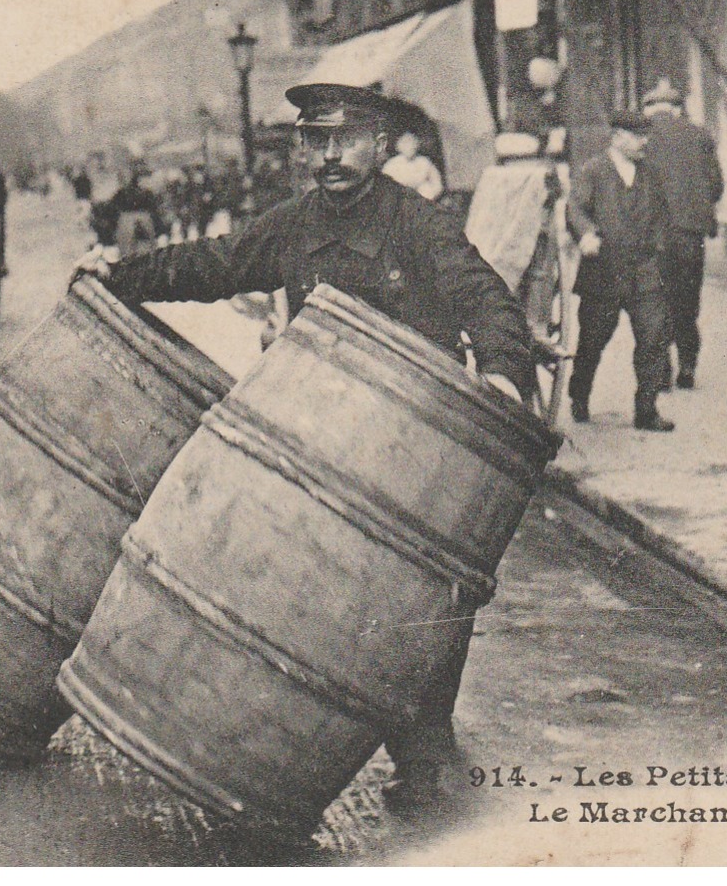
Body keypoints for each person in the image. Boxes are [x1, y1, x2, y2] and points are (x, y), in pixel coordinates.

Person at [75, 82, 538, 805]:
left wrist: (505, 374)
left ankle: (425, 749)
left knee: (423, 595)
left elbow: (483, 296)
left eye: (344, 141)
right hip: (319, 434)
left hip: (409, 445)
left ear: (380, 147)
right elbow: (213, 265)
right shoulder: (293, 224)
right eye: (314, 141)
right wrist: (120, 276)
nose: (328, 156)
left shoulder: (419, 225)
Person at [565, 111, 675, 432]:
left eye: (646, 135)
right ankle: (579, 394)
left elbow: (661, 217)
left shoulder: (651, 174)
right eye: (638, 136)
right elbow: (575, 209)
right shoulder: (593, 171)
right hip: (604, 271)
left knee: (654, 336)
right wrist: (586, 234)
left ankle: (646, 409)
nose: (645, 142)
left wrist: (658, 250)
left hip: (644, 270)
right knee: (593, 339)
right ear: (617, 137)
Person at [640, 80, 723, 390]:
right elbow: (715, 185)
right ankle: (688, 364)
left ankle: (661, 370)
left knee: (656, 298)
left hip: (654, 234)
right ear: (676, 108)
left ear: (649, 109)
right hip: (690, 232)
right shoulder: (700, 134)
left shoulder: (642, 139)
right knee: (687, 299)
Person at [466, 132, 558, 343]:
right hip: (515, 245)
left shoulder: (492, 177)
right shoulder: (529, 177)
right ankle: (530, 322)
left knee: (539, 263)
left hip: (512, 244)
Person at [383, 130, 445, 202]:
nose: (410, 147)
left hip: (423, 200)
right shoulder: (391, 164)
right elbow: (385, 185)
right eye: (405, 144)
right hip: (399, 200)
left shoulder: (424, 162)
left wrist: (430, 195)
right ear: (399, 146)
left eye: (412, 143)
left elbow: (437, 183)